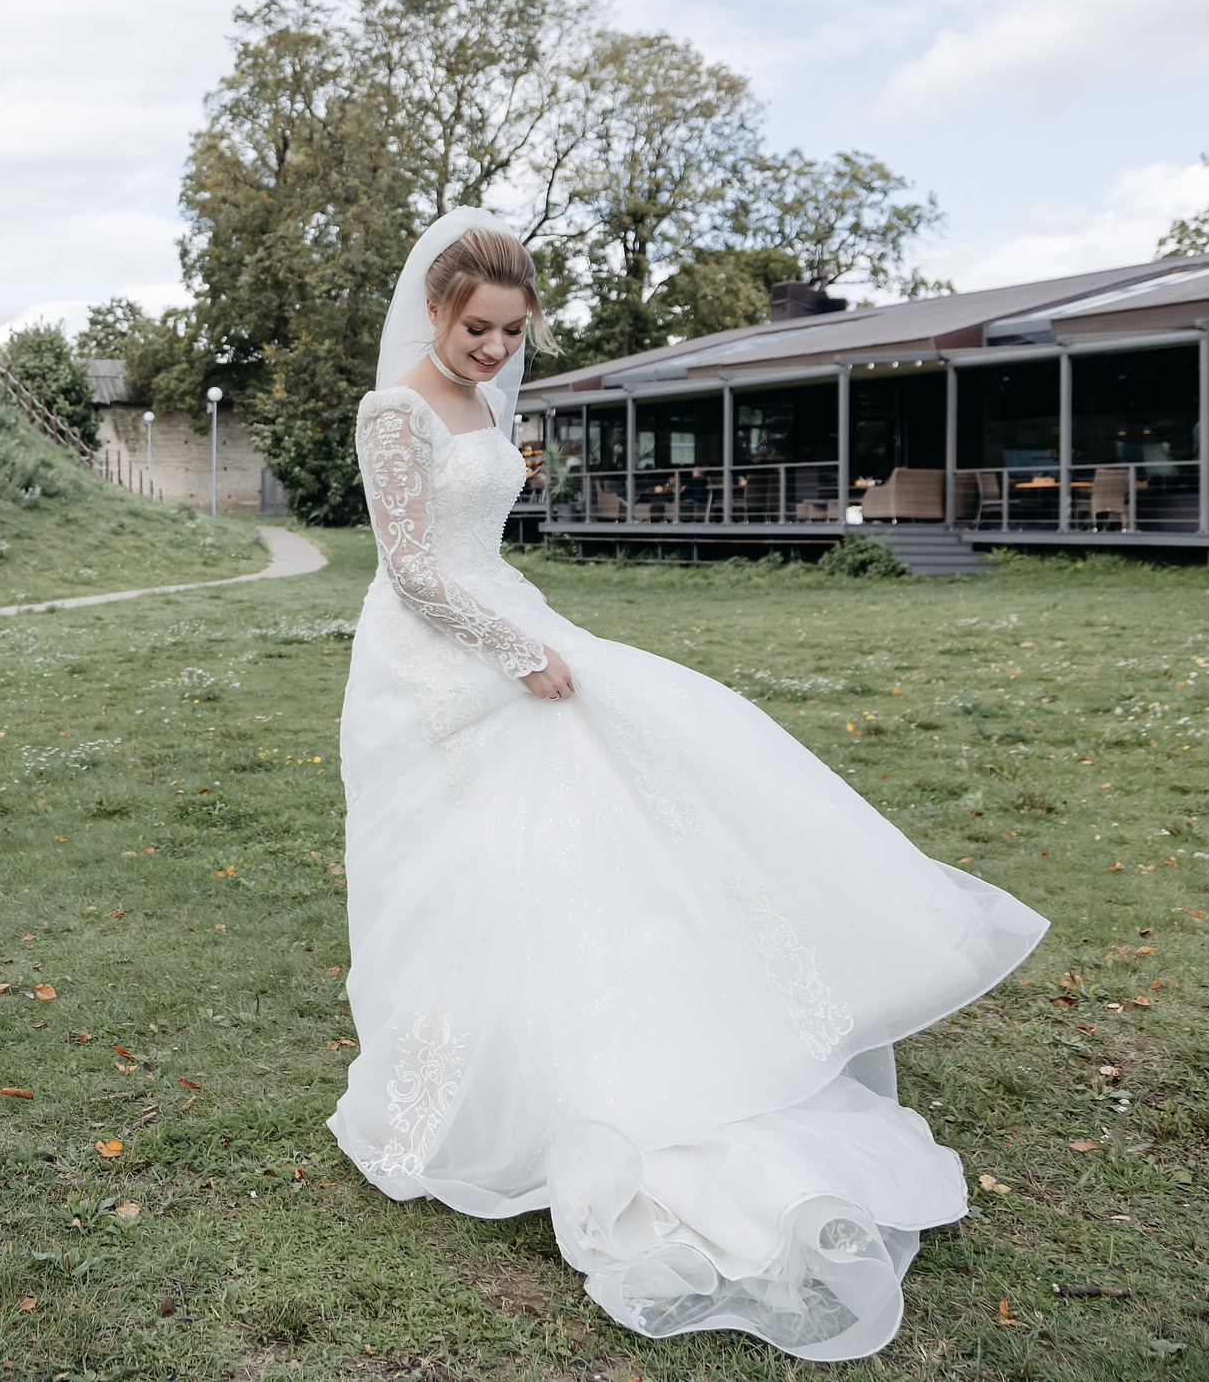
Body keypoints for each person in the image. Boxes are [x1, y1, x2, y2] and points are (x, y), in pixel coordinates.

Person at [330, 209, 1047, 1363]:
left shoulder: (487, 398)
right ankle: (459, 1080)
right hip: (430, 666)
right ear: (436, 311)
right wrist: (514, 651)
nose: (494, 351)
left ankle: (613, 1055)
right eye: (477, 330)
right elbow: (411, 569)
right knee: (462, 868)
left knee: (601, 816)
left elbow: (481, 550)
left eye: (512, 334)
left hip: (507, 622)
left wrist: (532, 627)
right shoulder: (393, 411)